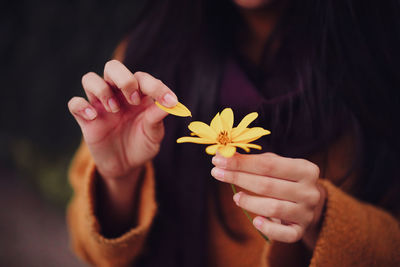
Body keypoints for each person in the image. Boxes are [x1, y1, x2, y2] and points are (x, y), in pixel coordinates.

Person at [67, 0, 400, 266]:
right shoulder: (147, 56)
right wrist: (118, 178)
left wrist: (324, 219)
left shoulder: (380, 61)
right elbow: (89, 248)